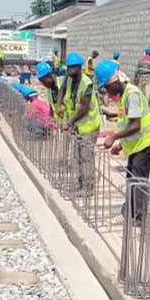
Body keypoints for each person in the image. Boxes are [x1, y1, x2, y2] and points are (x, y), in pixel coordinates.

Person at [96, 60, 150, 225]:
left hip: (146, 143)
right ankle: (131, 213)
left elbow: (135, 125)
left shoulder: (131, 94)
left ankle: (137, 217)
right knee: (132, 178)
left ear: (115, 81)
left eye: (108, 88)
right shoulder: (125, 95)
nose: (108, 93)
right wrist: (122, 145)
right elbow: (128, 125)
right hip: (139, 143)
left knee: (137, 180)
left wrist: (114, 137)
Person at [56, 52, 102, 196]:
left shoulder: (86, 83)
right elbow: (62, 90)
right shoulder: (69, 79)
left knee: (86, 156)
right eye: (68, 68)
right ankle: (81, 182)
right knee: (78, 155)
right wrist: (58, 105)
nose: (69, 71)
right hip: (78, 125)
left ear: (79, 68)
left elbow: (84, 108)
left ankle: (88, 187)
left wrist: (69, 122)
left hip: (89, 125)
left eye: (72, 68)